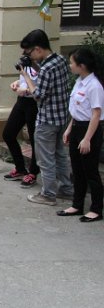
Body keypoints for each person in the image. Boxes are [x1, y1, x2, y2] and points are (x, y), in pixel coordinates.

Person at [19, 29, 73, 206]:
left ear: (38, 49)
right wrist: (33, 67)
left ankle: (48, 194)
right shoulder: (60, 60)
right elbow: (51, 81)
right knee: (60, 154)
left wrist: (26, 76)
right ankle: (66, 189)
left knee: (46, 158)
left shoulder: (47, 68)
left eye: (30, 53)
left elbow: (38, 94)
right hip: (62, 117)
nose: (31, 58)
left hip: (47, 119)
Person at [57, 48, 104, 222]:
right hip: (77, 126)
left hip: (89, 130)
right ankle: (77, 205)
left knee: (90, 171)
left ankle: (97, 209)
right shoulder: (79, 81)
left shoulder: (94, 86)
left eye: (72, 63)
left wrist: (87, 139)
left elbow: (96, 114)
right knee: (76, 170)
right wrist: (69, 129)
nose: (70, 66)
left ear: (82, 66)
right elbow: (77, 110)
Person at [2, 59, 40, 187]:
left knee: (34, 138)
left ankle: (33, 172)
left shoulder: (42, 66)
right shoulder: (25, 65)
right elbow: (24, 80)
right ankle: (20, 168)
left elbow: (41, 89)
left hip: (34, 104)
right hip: (21, 101)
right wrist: (17, 83)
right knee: (8, 134)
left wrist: (27, 91)